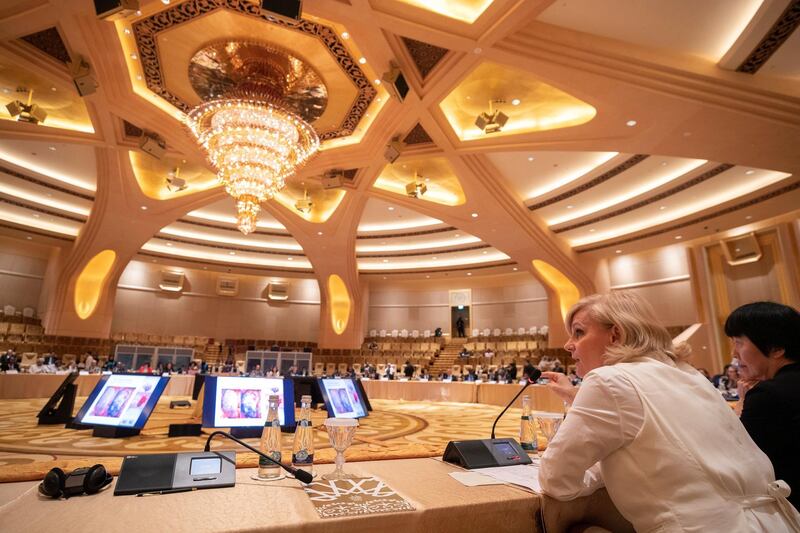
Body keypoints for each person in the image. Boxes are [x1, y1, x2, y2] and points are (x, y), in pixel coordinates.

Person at [539, 291, 800, 531]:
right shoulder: (688, 374)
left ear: (615, 335)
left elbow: (555, 479)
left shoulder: (608, 380)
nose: (568, 345)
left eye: (578, 332)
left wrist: (598, 471)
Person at [725, 301, 800, 511]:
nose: (734, 353)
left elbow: (740, 460)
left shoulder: (768, 394)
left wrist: (741, 405)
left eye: (739, 342)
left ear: (776, 348)